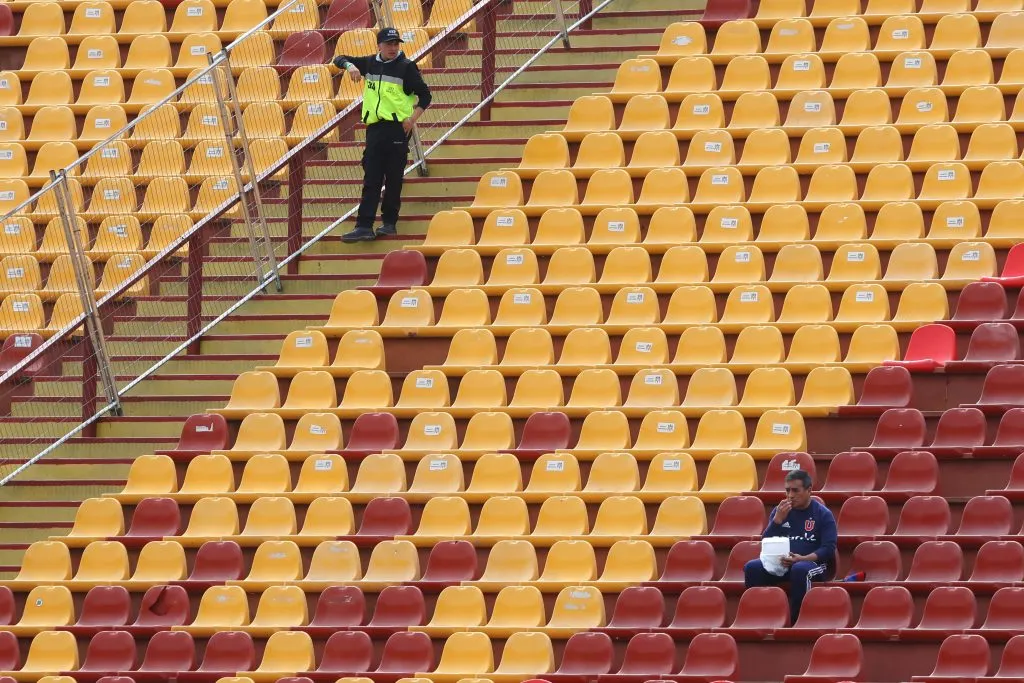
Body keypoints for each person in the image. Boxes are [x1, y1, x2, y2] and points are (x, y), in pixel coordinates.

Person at [333, 28, 432, 243]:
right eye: (389, 44)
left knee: (394, 177)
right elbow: (338, 58)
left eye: (396, 44)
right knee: (371, 177)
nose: (393, 48)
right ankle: (364, 226)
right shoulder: (370, 63)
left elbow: (425, 96)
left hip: (397, 128)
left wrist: (412, 119)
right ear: (379, 45)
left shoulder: (406, 67)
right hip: (375, 129)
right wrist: (350, 66)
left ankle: (389, 223)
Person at [743, 469, 837, 623]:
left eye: (795, 490)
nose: (790, 495)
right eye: (787, 490)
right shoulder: (780, 511)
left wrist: (802, 559)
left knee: (800, 570)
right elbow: (766, 543)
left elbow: (828, 549)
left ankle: (797, 621)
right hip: (782, 564)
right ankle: (761, 618)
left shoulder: (823, 514)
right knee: (752, 568)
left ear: (809, 490)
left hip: (813, 564)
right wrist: (777, 521)